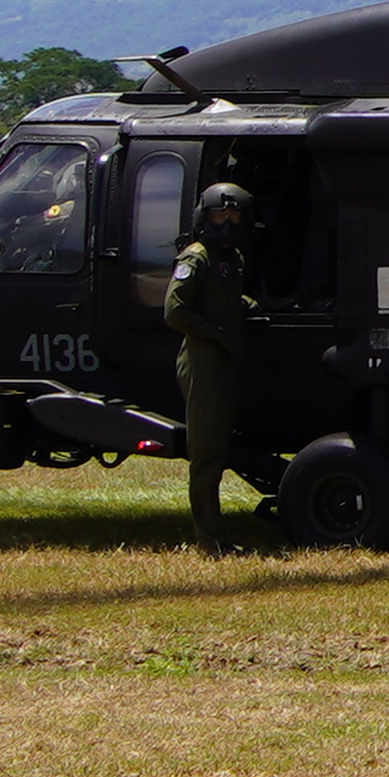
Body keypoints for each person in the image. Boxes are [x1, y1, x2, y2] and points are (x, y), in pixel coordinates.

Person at [162, 181, 257, 547]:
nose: (227, 223)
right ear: (205, 217)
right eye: (220, 215)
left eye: (234, 216)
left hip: (225, 362)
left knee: (219, 445)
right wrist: (218, 335)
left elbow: (226, 298)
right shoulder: (196, 258)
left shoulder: (232, 258)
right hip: (204, 364)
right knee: (206, 453)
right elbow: (175, 311)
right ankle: (209, 538)